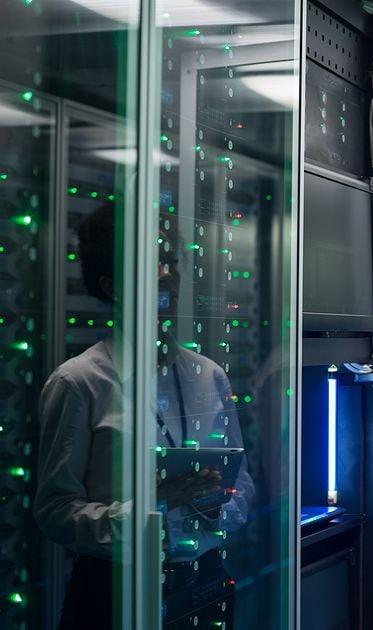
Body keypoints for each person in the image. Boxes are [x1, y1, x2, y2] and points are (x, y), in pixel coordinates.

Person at [34, 205, 253, 629]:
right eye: (152, 262)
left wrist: (215, 505)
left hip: (204, 580)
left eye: (170, 260)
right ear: (112, 285)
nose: (168, 273)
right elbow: (55, 513)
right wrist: (153, 507)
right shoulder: (80, 381)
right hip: (113, 591)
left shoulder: (209, 374)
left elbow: (242, 485)